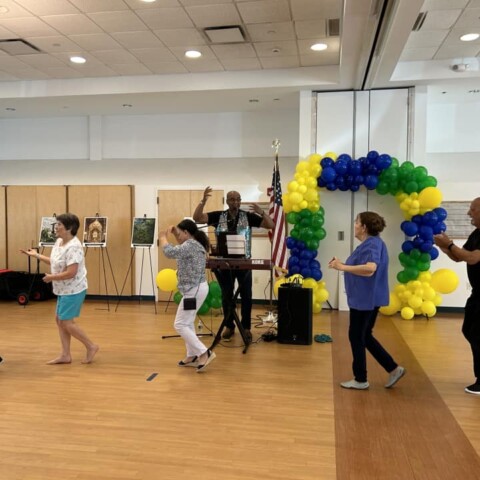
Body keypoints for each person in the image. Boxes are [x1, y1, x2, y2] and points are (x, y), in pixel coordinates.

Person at [328, 211, 405, 390]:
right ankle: (393, 368)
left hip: (366, 300)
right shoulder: (371, 244)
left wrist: (342, 266)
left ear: (364, 227)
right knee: (364, 335)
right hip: (366, 298)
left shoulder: (372, 245)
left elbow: (370, 269)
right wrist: (342, 264)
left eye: (357, 222)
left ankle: (361, 379)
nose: (354, 225)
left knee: (356, 335)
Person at [193, 187, 275, 342]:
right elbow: (197, 218)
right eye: (232, 199)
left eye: (238, 199)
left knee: (246, 295)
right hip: (224, 263)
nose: (235, 202)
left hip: (244, 262)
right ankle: (229, 326)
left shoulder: (248, 216)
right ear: (227, 201)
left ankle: (246, 328)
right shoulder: (219, 216)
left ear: (240, 201)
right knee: (227, 295)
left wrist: (262, 212)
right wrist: (203, 201)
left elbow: (271, 225)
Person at [21, 213, 99, 365]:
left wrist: (51, 278)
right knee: (60, 320)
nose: (56, 227)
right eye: (56, 224)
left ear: (69, 228)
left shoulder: (74, 247)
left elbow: (71, 272)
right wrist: (36, 255)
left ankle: (91, 346)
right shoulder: (59, 242)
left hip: (74, 289)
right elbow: (55, 262)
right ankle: (65, 355)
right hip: (63, 289)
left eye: (59, 225)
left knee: (66, 322)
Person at [434, 197, 480, 395]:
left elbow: (473, 258)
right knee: (468, 330)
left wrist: (450, 244)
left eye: (472, 210)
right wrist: (443, 246)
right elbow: (460, 256)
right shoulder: (477, 233)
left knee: (477, 335)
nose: (469, 213)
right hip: (477, 294)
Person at [160, 219, 216, 372]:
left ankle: (204, 352)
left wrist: (163, 237)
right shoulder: (191, 244)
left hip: (194, 289)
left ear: (186, 233)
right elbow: (177, 249)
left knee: (180, 324)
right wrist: (173, 231)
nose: (176, 237)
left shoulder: (190, 245)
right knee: (188, 323)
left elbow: (169, 252)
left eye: (178, 233)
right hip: (194, 289)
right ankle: (192, 355)